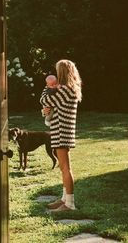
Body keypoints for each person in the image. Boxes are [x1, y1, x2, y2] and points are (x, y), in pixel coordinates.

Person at [40, 59, 82, 211]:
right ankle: (65, 199)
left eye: (58, 71)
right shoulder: (69, 89)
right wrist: (46, 110)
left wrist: (46, 87)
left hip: (61, 132)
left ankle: (70, 204)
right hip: (63, 130)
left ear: (62, 72)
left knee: (65, 167)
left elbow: (44, 99)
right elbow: (51, 107)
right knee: (63, 167)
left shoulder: (64, 89)